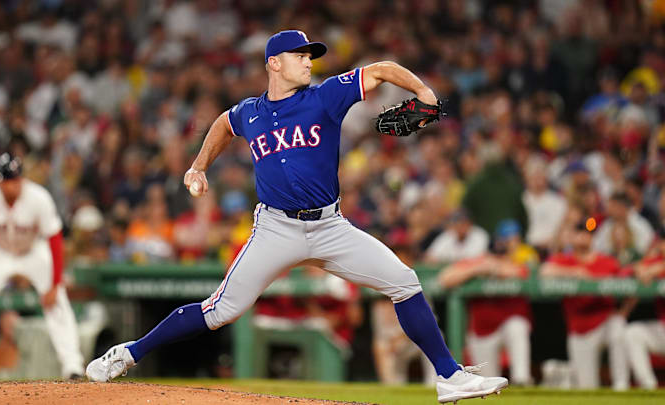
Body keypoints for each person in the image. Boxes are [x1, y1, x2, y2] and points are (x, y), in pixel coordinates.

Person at [86, 30, 508, 403]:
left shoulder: (324, 97)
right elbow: (222, 124)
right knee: (219, 312)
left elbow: (381, 68)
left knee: (405, 281)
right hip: (276, 228)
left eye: (311, 55)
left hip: (330, 227)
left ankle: (449, 376)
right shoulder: (249, 112)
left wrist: (425, 94)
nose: (309, 61)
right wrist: (198, 165)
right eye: (300, 54)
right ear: (275, 63)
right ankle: (127, 353)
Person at [0, 153, 84, 382]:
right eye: (4, 180)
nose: (9, 185)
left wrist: (55, 282)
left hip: (33, 251)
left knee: (56, 299)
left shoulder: (39, 198)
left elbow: (55, 240)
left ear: (21, 180)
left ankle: (73, 366)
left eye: (13, 180)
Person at [439, 219, 535, 385]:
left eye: (501, 253)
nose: (497, 256)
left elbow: (522, 273)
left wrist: (497, 268)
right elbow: (445, 279)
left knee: (517, 325)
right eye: (494, 253)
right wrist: (478, 269)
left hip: (507, 325)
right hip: (482, 331)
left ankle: (522, 379)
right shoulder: (479, 263)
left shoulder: (514, 262)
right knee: (487, 383)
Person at [540, 220, 629, 390]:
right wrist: (576, 272)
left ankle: (621, 384)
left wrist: (624, 310)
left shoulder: (607, 262)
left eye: (588, 233)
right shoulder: (565, 260)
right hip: (579, 328)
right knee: (586, 386)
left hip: (605, 321)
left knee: (619, 328)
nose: (584, 237)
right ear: (572, 236)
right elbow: (545, 271)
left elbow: (631, 285)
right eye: (580, 232)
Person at [625, 239, 665, 389]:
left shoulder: (659, 264)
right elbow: (626, 271)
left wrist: (658, 268)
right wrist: (641, 268)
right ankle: (648, 386)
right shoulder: (655, 261)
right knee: (633, 332)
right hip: (663, 329)